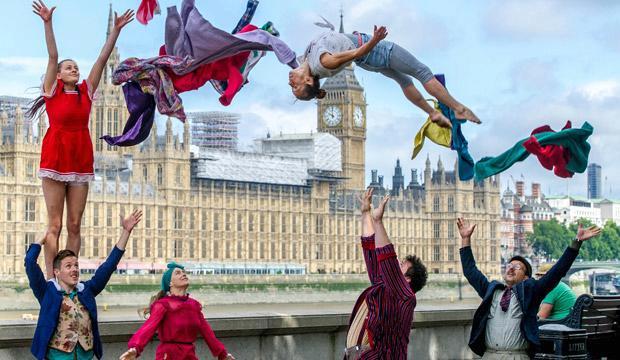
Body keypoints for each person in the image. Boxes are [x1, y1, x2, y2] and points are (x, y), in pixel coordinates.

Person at [27, 0, 134, 278]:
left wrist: (117, 30)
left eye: (76, 67)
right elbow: (53, 56)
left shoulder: (87, 92)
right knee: (55, 226)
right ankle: (52, 277)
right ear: (59, 75)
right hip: (56, 155)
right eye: (69, 67)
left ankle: (71, 273)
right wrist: (47, 23)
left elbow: (101, 59)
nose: (75, 69)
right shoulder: (53, 91)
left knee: (74, 225)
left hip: (80, 157)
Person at [457, 217, 601, 359]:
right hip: (490, 355)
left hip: (517, 356)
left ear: (526, 277)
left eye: (517, 267)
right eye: (509, 265)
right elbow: (470, 271)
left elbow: (557, 272)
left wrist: (576, 243)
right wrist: (465, 239)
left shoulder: (531, 292)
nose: (511, 269)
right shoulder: (492, 291)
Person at [289, 25, 480, 128]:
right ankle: (458, 108)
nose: (291, 84)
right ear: (307, 80)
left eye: (292, 88)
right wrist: (374, 40)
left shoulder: (305, 61)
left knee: (404, 80)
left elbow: (281, 51)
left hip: (370, 62)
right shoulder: (323, 63)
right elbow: (354, 54)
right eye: (295, 88)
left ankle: (432, 112)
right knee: (422, 72)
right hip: (376, 52)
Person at [25, 210, 142, 360]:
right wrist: (38, 242)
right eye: (68, 266)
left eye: (76, 265)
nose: (74, 269)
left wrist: (126, 232)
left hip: (85, 356)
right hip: (57, 356)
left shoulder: (86, 290)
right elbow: (30, 263)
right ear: (57, 272)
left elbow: (109, 265)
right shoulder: (47, 292)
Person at [343, 188, 427, 359]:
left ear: (407, 279)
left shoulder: (405, 296)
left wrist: (378, 221)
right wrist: (366, 213)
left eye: (401, 265)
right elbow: (371, 250)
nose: (397, 264)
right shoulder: (383, 288)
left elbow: (387, 258)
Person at [119, 263, 235, 360]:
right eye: (178, 273)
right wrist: (135, 348)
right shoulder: (163, 304)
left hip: (189, 355)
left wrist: (223, 354)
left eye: (184, 272)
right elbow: (148, 327)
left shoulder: (194, 305)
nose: (183, 274)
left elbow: (207, 333)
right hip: (168, 356)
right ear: (170, 283)